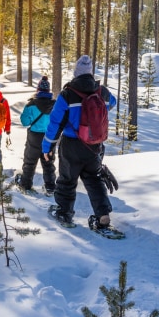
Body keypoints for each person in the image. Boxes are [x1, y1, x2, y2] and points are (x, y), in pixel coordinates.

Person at [42, 55, 117, 230]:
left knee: (67, 180)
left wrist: (47, 147)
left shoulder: (67, 94)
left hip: (72, 145)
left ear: (76, 73)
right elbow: (112, 103)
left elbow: (55, 123)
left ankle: (64, 213)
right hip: (94, 146)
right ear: (90, 72)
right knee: (94, 179)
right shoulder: (102, 92)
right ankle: (103, 216)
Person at [17, 76, 56, 194]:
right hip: (49, 137)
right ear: (48, 90)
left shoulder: (31, 104)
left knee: (30, 161)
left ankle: (26, 186)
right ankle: (50, 187)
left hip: (34, 137)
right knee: (48, 162)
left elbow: (25, 122)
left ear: (38, 89)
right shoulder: (55, 105)